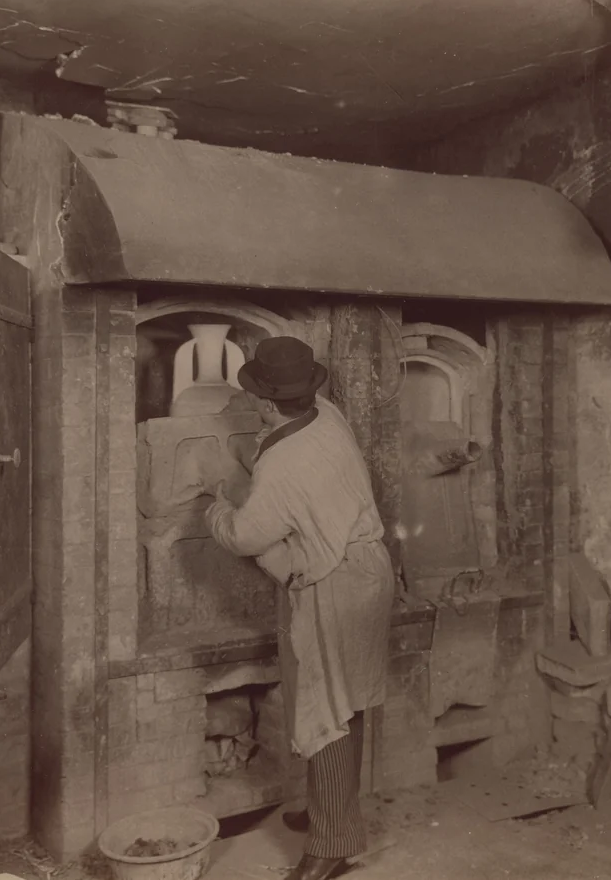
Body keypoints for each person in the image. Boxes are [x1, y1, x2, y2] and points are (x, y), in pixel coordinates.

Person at [205, 336, 395, 880]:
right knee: (344, 705)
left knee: (323, 711)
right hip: (368, 570)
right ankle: (330, 816)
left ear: (266, 402)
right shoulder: (326, 415)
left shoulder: (283, 465)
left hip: (334, 585)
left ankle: (331, 847)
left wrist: (217, 506)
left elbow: (245, 535)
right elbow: (286, 469)